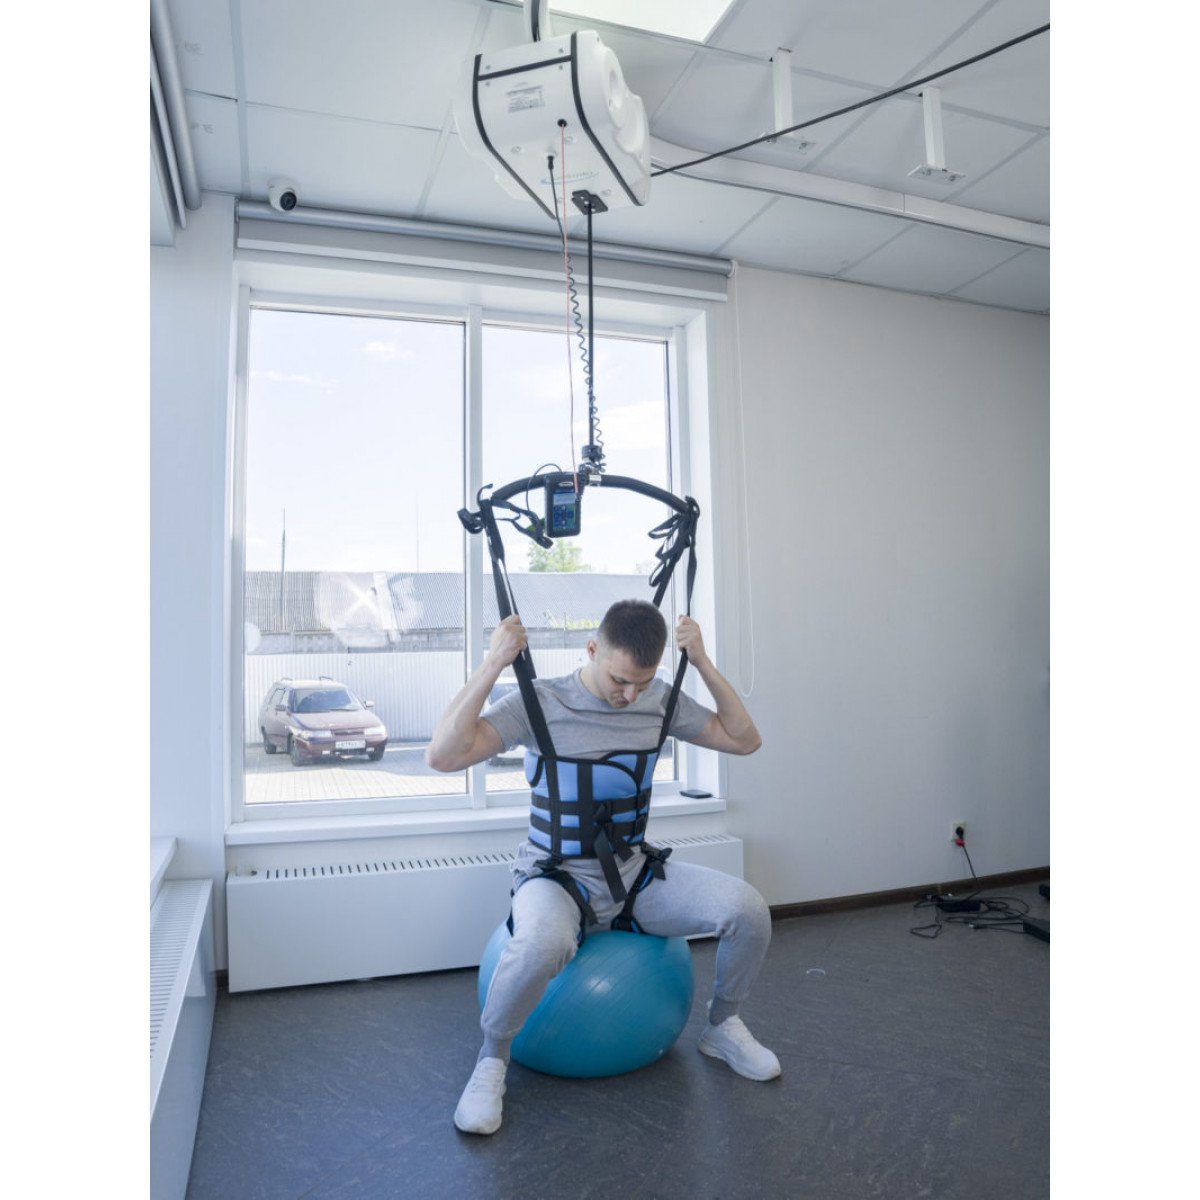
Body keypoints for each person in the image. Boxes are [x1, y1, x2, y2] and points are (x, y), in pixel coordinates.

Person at [426, 599, 777, 1136]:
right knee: (541, 945)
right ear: (591, 649)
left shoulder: (658, 702)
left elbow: (745, 740)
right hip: (555, 876)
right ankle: (491, 1061)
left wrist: (703, 662)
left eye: (643, 682)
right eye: (620, 680)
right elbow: (444, 757)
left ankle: (722, 1026)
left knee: (747, 910)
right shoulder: (540, 702)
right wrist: (494, 661)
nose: (630, 695)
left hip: (632, 876)